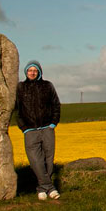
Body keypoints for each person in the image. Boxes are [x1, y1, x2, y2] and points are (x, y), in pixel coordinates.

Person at [15, 60, 61, 200]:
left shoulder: (47, 86)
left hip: (47, 127)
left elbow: (56, 104)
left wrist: (53, 123)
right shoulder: (20, 87)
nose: (32, 72)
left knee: (48, 158)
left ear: (39, 72)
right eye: (30, 70)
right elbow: (17, 109)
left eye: (35, 70)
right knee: (35, 160)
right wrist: (24, 128)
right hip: (30, 130)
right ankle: (50, 188)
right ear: (26, 72)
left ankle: (42, 189)